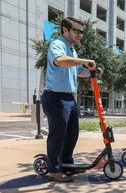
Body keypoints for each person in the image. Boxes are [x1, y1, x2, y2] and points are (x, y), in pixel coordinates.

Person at [41, 17, 102, 182]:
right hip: (55, 96)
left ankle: (66, 165)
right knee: (57, 135)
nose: (80, 34)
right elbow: (60, 61)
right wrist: (85, 61)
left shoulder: (72, 50)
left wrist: (91, 72)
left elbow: (77, 72)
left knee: (72, 134)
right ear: (65, 30)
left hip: (69, 97)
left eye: (82, 31)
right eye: (77, 30)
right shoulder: (57, 45)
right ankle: (54, 170)